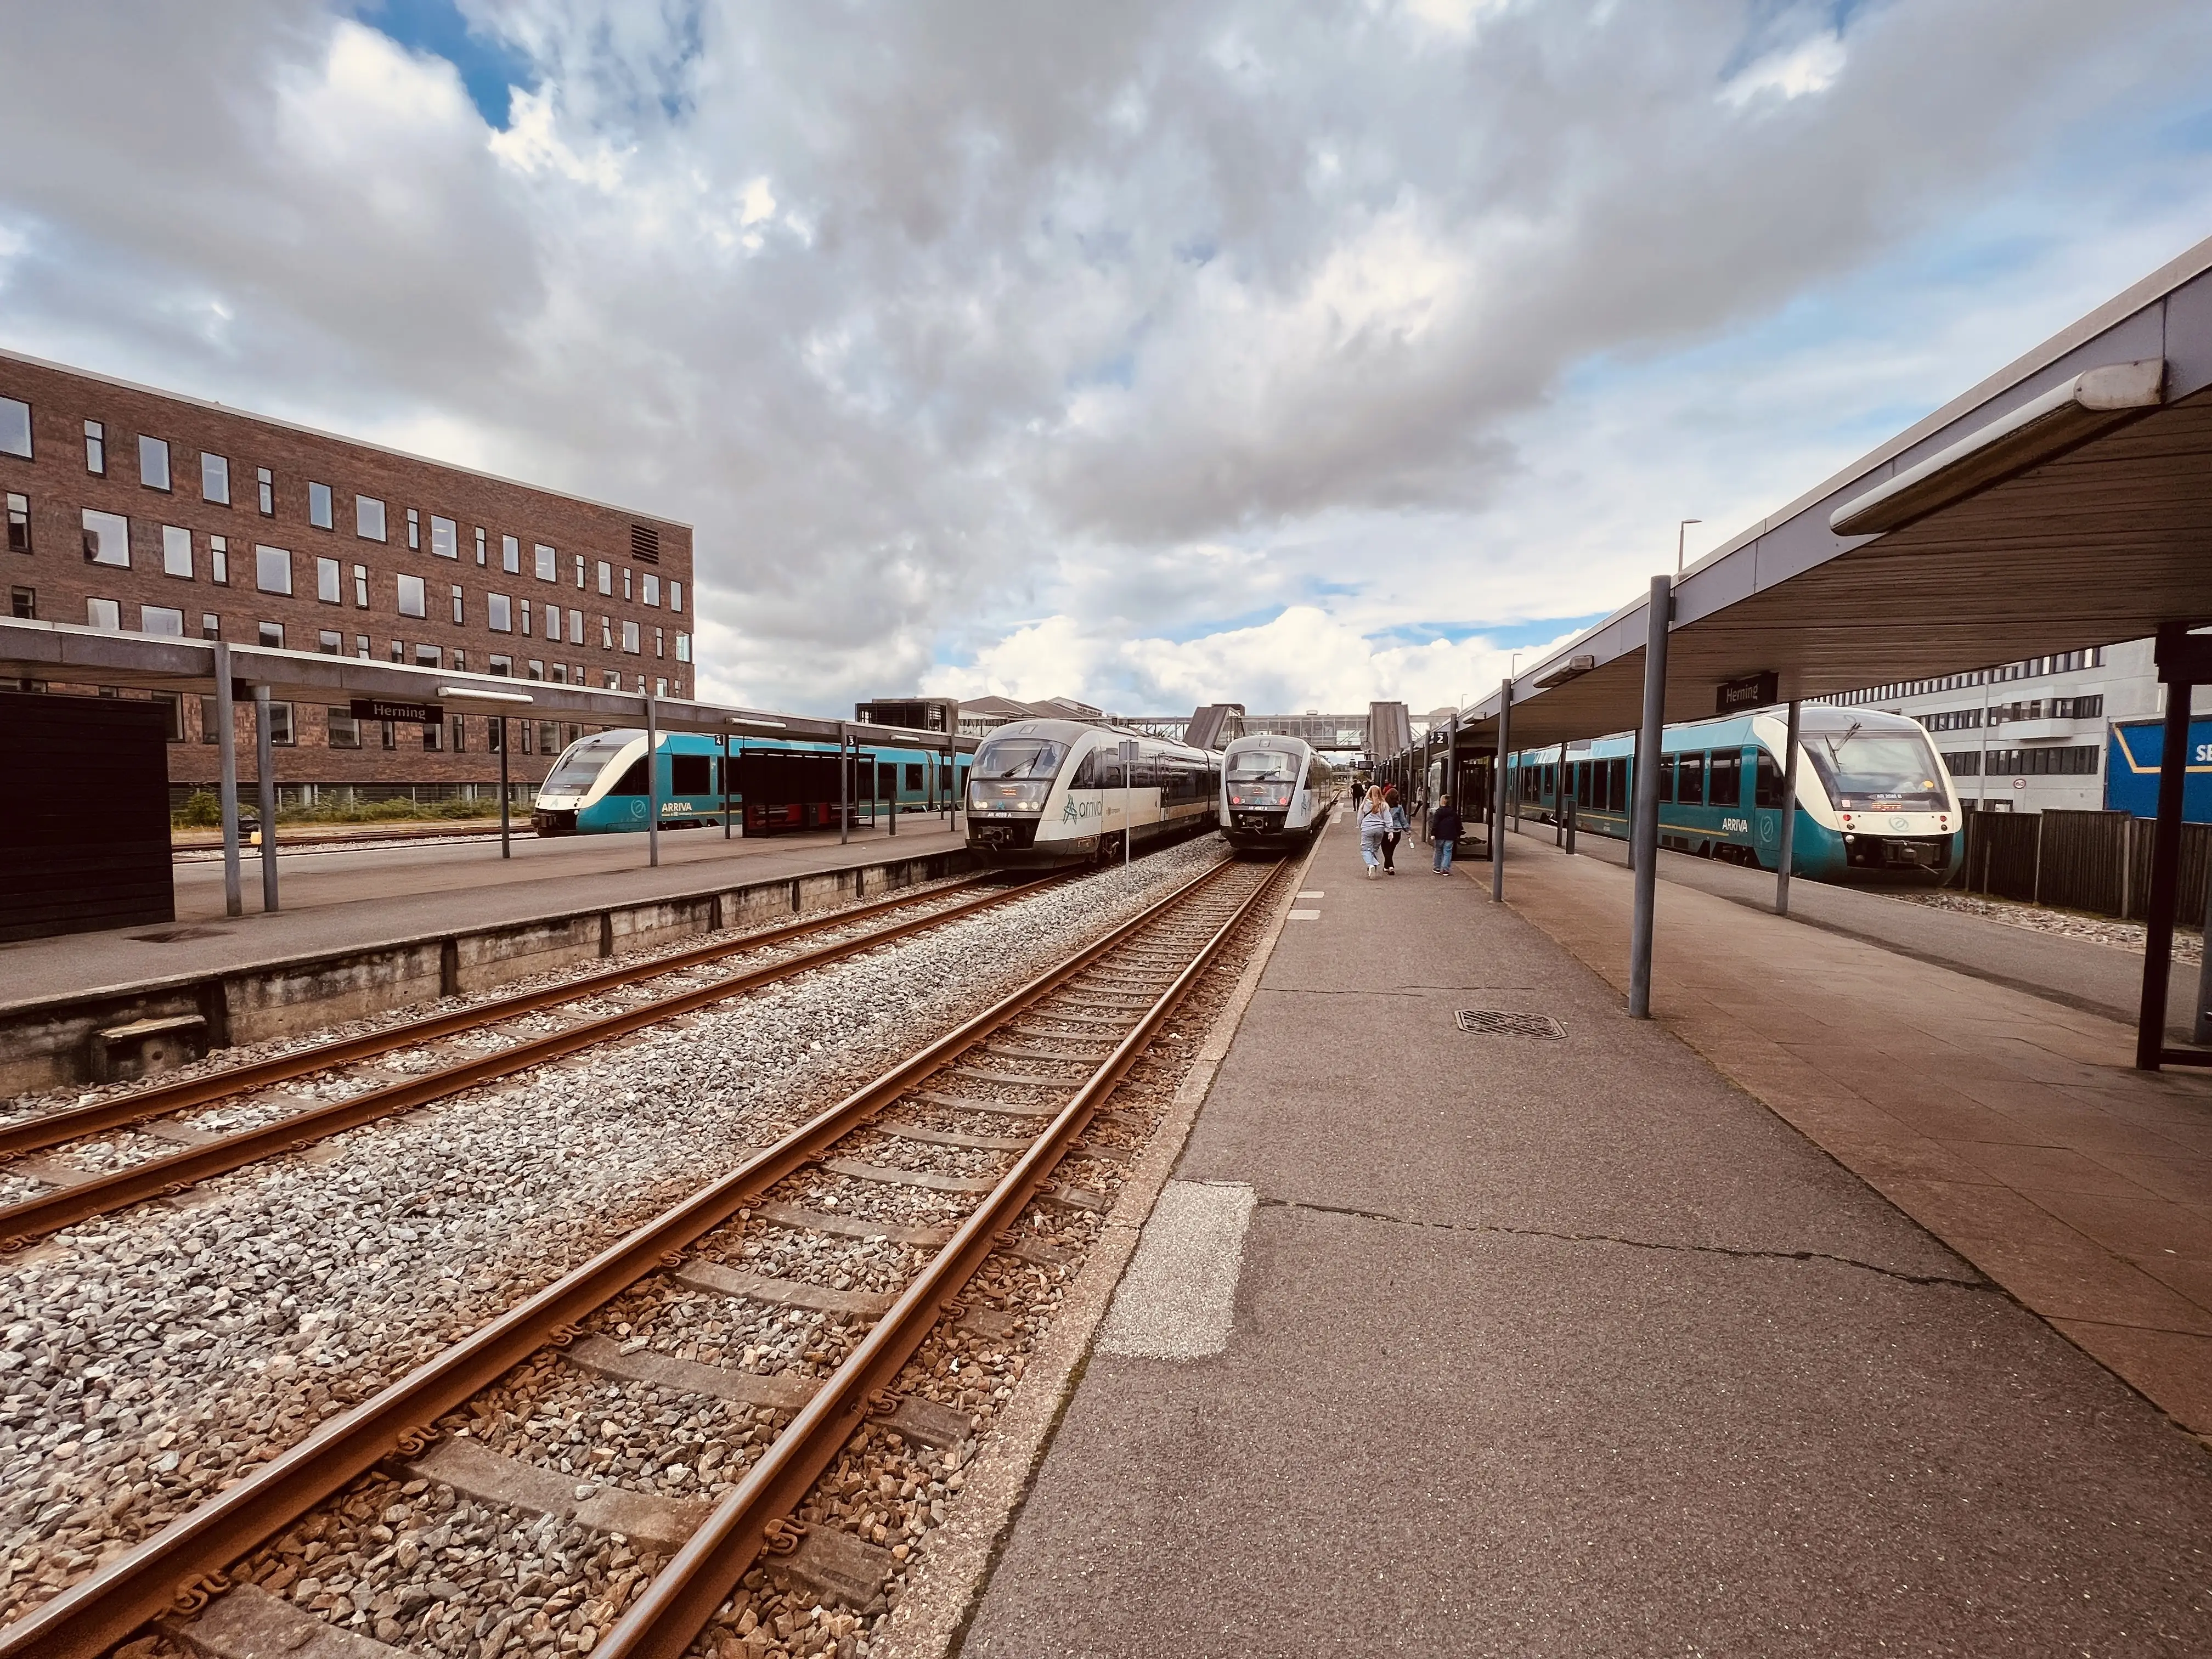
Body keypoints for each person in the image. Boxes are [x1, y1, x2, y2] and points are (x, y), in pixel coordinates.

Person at [1358, 785, 1391, 878]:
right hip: (1380, 829)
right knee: (1375, 849)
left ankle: (1371, 865)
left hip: (1367, 828)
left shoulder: (1365, 804)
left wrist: (1361, 827)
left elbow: (1360, 818)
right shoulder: (1383, 804)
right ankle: (1374, 869)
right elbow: (1388, 818)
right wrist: (1390, 830)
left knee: (1366, 849)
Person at [1430, 793, 1464, 874]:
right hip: (1450, 835)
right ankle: (1445, 869)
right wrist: (1459, 832)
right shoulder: (1453, 813)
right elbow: (1458, 824)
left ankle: (1437, 867)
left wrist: (1433, 833)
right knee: (1448, 852)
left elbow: (1435, 824)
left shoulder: (1438, 812)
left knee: (1438, 851)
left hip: (1440, 835)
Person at [1381, 786, 1407, 874]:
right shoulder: (1399, 807)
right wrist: (1407, 830)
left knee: (1385, 848)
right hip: (1397, 831)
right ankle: (1386, 866)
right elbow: (1403, 820)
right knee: (1391, 849)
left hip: (1386, 830)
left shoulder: (1383, 806)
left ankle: (1390, 866)